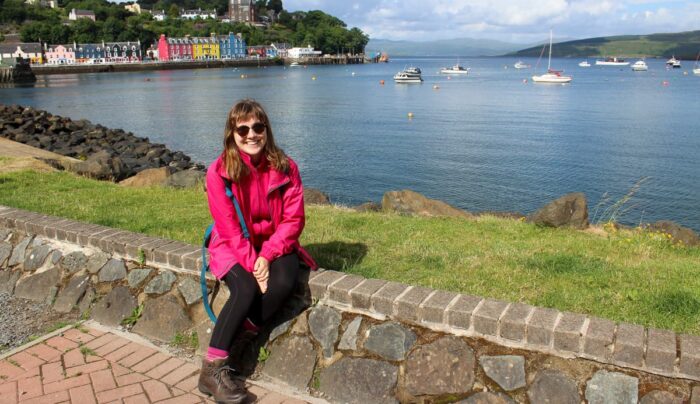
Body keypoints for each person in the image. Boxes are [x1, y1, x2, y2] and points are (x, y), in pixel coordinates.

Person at [198, 99, 317, 403]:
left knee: (283, 283)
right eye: (243, 128)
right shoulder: (219, 173)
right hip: (232, 245)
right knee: (247, 288)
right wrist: (254, 265)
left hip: (275, 242)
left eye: (258, 127)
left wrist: (267, 256)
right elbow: (229, 229)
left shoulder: (285, 167)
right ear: (232, 133)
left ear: (267, 130)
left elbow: (293, 220)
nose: (251, 134)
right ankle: (212, 369)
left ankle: (236, 345)